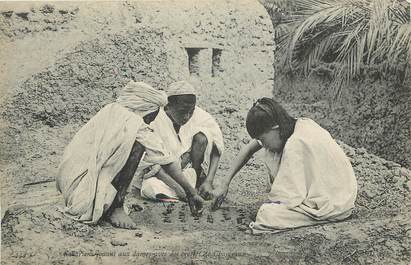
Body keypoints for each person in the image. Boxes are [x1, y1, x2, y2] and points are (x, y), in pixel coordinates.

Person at [56, 81, 203, 230]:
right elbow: (166, 161)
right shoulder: (134, 123)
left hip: (70, 182)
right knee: (138, 146)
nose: (150, 122)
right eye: (150, 117)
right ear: (145, 110)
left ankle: (108, 201)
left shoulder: (110, 111)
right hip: (82, 192)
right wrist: (191, 192)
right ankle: (116, 207)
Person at [211, 97, 357, 234]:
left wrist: (273, 205)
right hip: (339, 196)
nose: (263, 144)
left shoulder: (296, 144)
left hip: (333, 204)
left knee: (267, 214)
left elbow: (289, 199)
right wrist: (225, 182)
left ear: (275, 128)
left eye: (262, 138)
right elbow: (249, 149)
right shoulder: (299, 124)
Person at [134, 81, 224, 202]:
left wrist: (209, 181)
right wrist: (178, 188)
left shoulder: (200, 115)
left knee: (203, 135)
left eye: (191, 112)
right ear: (169, 106)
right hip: (164, 175)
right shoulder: (155, 119)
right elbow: (151, 164)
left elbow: (217, 147)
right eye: (182, 112)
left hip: (190, 171)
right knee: (150, 187)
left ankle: (198, 183)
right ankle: (189, 191)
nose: (187, 117)